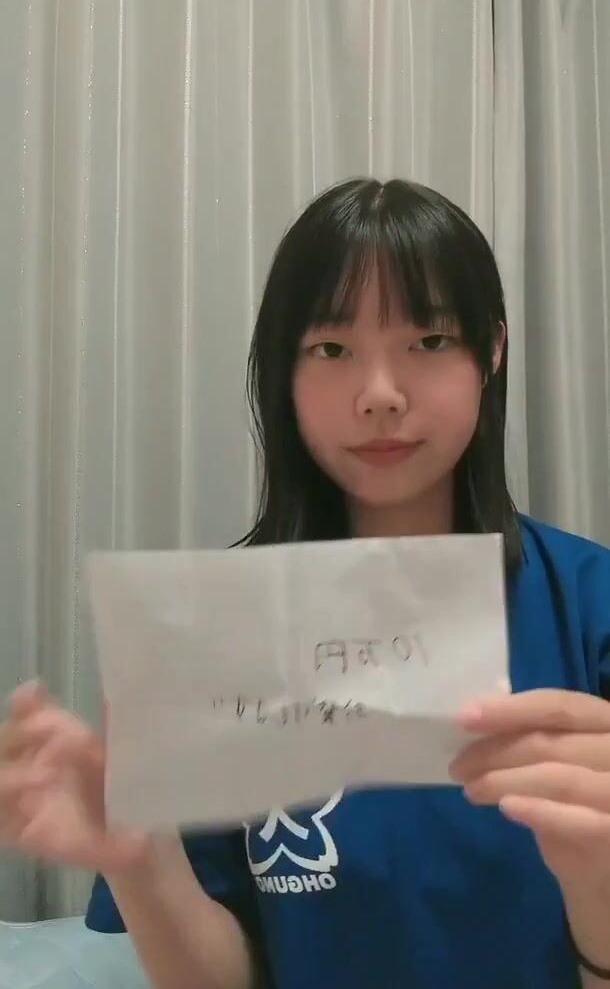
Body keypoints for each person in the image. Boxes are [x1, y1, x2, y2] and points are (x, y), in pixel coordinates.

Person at [1, 178, 609, 989]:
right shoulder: (215, 632)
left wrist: (598, 882)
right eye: (331, 349)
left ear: (492, 351)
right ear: (282, 372)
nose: (380, 395)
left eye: (429, 340)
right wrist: (141, 860)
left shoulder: (591, 606)